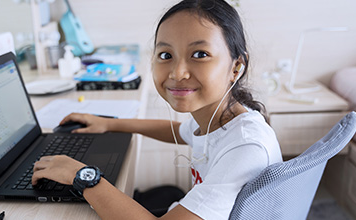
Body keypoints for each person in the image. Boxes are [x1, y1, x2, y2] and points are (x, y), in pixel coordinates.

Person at [32, 0, 282, 219]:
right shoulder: (217, 116)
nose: (177, 73)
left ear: (236, 67)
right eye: (165, 55)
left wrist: (82, 176)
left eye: (200, 54)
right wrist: (108, 123)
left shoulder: (245, 146)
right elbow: (178, 130)